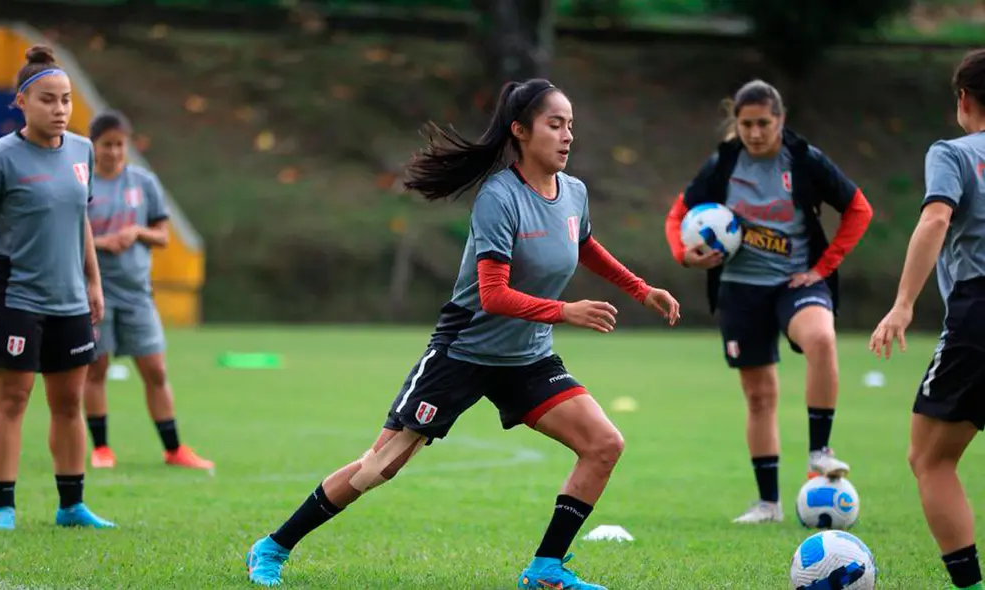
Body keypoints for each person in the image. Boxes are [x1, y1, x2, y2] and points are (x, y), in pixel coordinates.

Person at [244, 78, 681, 589]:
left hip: (526, 358)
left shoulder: (574, 193)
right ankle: (272, 547)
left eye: (570, 126)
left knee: (604, 444)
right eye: (554, 125)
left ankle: (544, 570)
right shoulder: (499, 197)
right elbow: (493, 295)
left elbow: (582, 244)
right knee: (379, 467)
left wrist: (640, 289)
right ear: (520, 131)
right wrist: (565, 311)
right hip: (465, 352)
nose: (567, 136)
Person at [664, 79, 873, 524]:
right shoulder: (724, 163)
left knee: (821, 338)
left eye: (763, 123)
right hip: (740, 290)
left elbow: (859, 209)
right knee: (760, 397)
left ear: (780, 119)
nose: (755, 133)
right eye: (746, 124)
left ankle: (819, 451)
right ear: (736, 124)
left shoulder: (804, 160)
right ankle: (768, 505)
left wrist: (824, 267)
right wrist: (684, 254)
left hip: (795, 282)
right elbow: (677, 214)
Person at [0, 46, 115, 530]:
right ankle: (3, 507)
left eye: (66, 100)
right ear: (21, 102)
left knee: (68, 403)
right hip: (16, 297)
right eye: (48, 100)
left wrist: (93, 282)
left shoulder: (82, 151)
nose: (60, 109)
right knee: (12, 400)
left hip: (70, 300)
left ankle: (71, 506)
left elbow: (80, 220)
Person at [870, 49, 985, 590]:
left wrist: (903, 303)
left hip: (978, 312)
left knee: (929, 459)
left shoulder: (953, 153)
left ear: (963, 99)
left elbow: (937, 218)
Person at [81, 110, 213, 471]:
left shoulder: (143, 182)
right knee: (96, 370)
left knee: (155, 369)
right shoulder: (83, 183)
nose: (114, 152)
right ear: (93, 146)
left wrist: (137, 232)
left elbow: (163, 235)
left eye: (120, 144)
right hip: (95, 292)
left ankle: (174, 449)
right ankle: (101, 448)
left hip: (137, 294)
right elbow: (70, 235)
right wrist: (102, 243)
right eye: (107, 145)